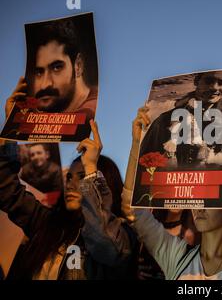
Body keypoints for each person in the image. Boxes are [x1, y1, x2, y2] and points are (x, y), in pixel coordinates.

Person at [121, 107, 222, 280]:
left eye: (208, 197)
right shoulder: (176, 256)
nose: (198, 207)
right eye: (196, 197)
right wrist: (138, 144)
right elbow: (133, 210)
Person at [0, 119, 136, 279]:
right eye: (69, 177)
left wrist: (91, 167)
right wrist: (12, 126)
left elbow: (105, 244)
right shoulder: (46, 222)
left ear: (106, 184)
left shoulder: (122, 235)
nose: (71, 185)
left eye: (82, 177)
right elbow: (6, 189)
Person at [8, 18, 98, 120]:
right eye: (38, 72)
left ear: (78, 65)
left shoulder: (92, 113)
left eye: (57, 68)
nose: (45, 84)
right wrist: (11, 121)